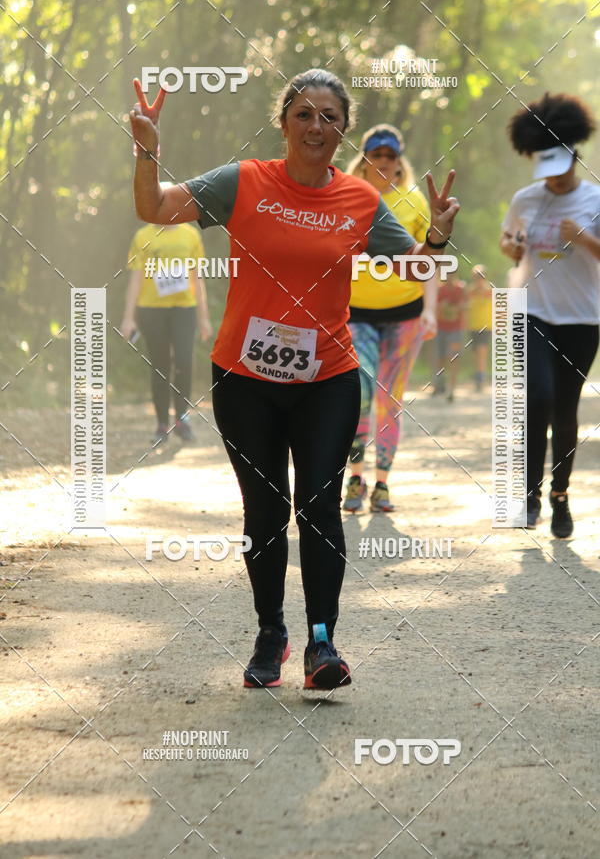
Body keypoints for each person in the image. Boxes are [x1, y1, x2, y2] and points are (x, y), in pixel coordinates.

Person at [129, 68, 460, 689]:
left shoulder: (361, 201)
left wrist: (437, 236)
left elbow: (412, 270)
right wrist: (147, 151)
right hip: (243, 377)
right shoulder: (243, 181)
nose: (316, 126)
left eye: (329, 116)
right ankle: (270, 632)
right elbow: (154, 207)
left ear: (343, 131)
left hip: (327, 378)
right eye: (304, 114)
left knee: (319, 507)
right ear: (283, 122)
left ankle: (322, 642)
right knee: (263, 511)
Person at [500, 92, 600, 537]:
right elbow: (508, 243)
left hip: (582, 318)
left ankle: (560, 498)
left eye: (559, 167)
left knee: (565, 408)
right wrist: (512, 247)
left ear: (574, 158)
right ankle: (530, 494)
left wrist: (583, 238)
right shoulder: (525, 199)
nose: (553, 179)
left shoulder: (595, 200)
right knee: (536, 397)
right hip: (533, 312)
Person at [342, 124, 436, 513]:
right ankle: (355, 477)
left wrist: (430, 310)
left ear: (399, 164)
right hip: (355, 314)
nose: (382, 162)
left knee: (389, 400)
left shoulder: (414, 201)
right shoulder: (346, 197)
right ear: (362, 162)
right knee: (359, 395)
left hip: (405, 315)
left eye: (390, 157)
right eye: (375, 156)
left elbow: (429, 261)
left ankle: (382, 483)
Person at [120, 220, 213, 444]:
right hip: (152, 310)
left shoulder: (190, 235)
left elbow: (197, 278)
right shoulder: (143, 236)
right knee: (159, 365)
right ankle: (162, 424)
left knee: (184, 361)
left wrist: (203, 317)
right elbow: (136, 278)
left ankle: (182, 419)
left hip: (184, 308)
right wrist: (128, 317)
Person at [434, 271, 467, 401]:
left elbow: (466, 305)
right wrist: (441, 307)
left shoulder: (461, 289)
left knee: (454, 357)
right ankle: (439, 384)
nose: (449, 277)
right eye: (447, 275)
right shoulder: (439, 289)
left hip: (456, 329)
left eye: (452, 274)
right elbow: (433, 306)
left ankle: (451, 388)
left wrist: (459, 308)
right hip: (441, 328)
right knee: (441, 357)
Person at [466, 265, 493, 391]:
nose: (478, 279)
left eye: (481, 276)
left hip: (486, 326)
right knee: (475, 353)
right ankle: (478, 375)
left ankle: (480, 380)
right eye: (476, 277)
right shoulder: (470, 291)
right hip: (473, 326)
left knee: (482, 352)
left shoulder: (490, 290)